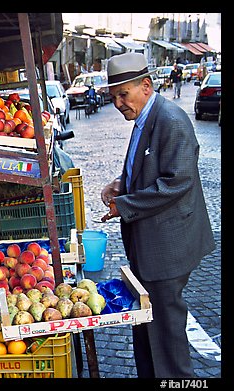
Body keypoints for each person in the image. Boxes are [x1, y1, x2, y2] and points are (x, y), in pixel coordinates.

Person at [100, 52, 215, 378]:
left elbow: (176, 182)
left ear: (146, 86)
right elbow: (146, 168)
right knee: (147, 321)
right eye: (114, 97)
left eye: (124, 94)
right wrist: (120, 184)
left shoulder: (172, 120)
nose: (119, 103)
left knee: (166, 331)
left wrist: (124, 205)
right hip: (149, 245)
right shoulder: (145, 119)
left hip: (167, 248)